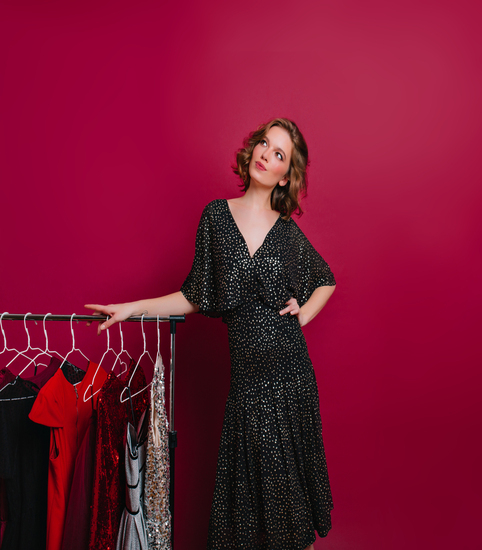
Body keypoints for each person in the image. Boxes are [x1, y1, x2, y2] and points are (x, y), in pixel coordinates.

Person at [85, 118, 336, 550]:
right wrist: (132, 308)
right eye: (264, 143)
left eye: (279, 154)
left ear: (285, 175)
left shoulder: (288, 234)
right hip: (248, 387)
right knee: (252, 516)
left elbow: (326, 278)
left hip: (291, 378)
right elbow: (194, 295)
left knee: (290, 511)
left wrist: (303, 313)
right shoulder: (217, 217)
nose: (266, 154)